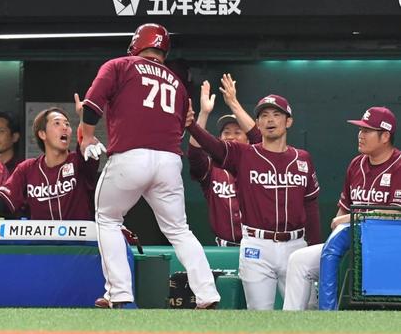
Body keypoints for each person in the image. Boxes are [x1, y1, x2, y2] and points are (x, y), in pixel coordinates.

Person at [80, 23, 220, 309]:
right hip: (169, 161)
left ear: (135, 44)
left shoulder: (120, 65)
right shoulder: (177, 82)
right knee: (180, 230)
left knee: (108, 219)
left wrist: (88, 136)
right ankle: (207, 294)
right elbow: (183, 123)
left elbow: (92, 104)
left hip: (130, 156)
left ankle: (119, 293)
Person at [186, 93, 321, 310]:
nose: (270, 120)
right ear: (257, 123)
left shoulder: (302, 158)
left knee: (306, 312)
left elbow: (311, 205)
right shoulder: (245, 154)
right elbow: (212, 147)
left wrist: (314, 249)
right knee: (259, 314)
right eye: (264, 115)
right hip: (257, 246)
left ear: (289, 121)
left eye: (277, 115)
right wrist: (192, 125)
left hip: (296, 245)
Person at [283, 106, 401, 310]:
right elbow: (343, 209)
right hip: (351, 241)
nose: (360, 135)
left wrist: (349, 220)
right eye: (360, 130)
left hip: (387, 246)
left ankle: (328, 314)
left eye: (367, 131)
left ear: (385, 136)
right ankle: (300, 326)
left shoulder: (399, 165)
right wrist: (341, 224)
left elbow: (395, 213)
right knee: (298, 261)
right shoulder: (356, 165)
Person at [0, 103, 99, 230]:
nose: (64, 127)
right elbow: (4, 196)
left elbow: (86, 146)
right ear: (42, 134)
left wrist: (84, 120)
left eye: (67, 124)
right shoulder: (28, 168)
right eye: (57, 123)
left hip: (81, 248)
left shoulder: (79, 161)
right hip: (41, 248)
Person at [188, 76, 261, 246]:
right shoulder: (211, 169)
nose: (231, 136)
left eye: (237, 132)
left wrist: (233, 103)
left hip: (257, 247)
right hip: (224, 247)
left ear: (247, 139)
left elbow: (258, 137)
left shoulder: (259, 163)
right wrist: (204, 113)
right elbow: (194, 154)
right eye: (226, 132)